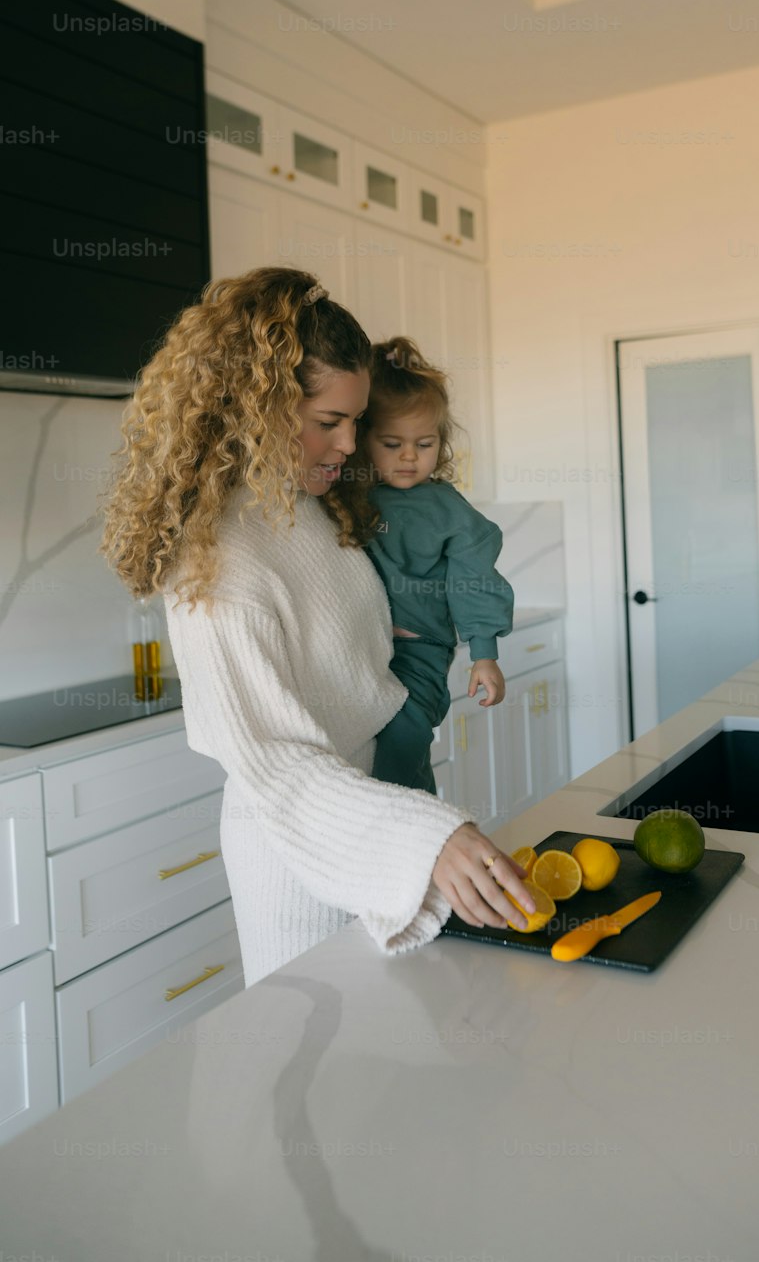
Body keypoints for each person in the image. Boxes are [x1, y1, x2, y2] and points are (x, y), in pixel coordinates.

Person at [100, 268, 535, 988]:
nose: (346, 443)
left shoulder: (309, 499)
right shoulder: (220, 559)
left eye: (356, 422)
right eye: (327, 422)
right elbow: (278, 765)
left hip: (384, 810)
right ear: (257, 404)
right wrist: (429, 837)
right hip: (304, 856)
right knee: (313, 1077)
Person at [358, 337, 514, 796]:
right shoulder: (346, 494)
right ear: (363, 437)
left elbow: (474, 579)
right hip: (360, 650)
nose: (409, 456)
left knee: (404, 744)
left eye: (424, 444)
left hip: (421, 651)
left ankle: (405, 835)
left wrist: (483, 653)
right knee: (374, 756)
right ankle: (424, 839)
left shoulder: (448, 511)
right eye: (392, 443)